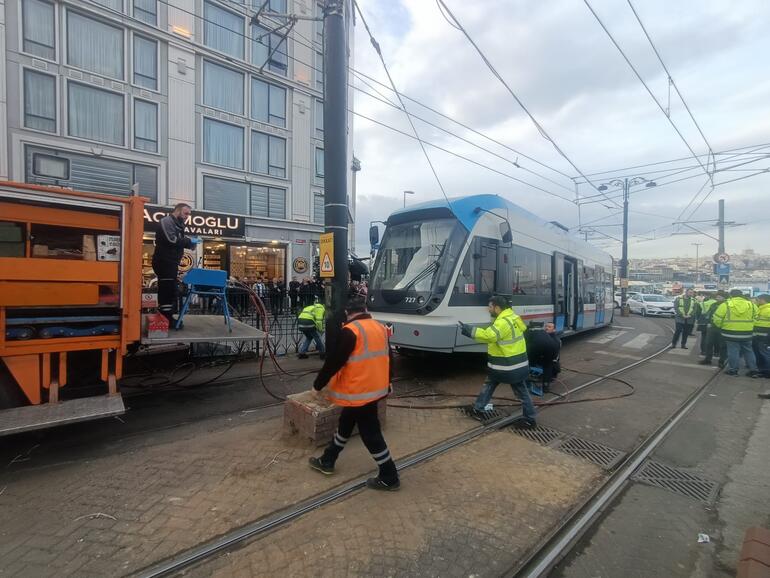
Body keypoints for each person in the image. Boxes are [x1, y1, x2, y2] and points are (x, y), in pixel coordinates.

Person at [308, 295, 399, 491]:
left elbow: (334, 361)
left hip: (359, 391)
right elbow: (389, 356)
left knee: (371, 434)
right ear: (365, 310)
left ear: (348, 313)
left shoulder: (350, 331)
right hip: (374, 389)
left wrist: (318, 385)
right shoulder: (380, 327)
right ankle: (328, 459)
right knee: (346, 423)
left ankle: (389, 475)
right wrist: (389, 381)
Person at [459, 296, 537, 427]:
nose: (488, 309)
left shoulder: (503, 322)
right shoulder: (513, 317)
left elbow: (489, 336)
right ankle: (478, 408)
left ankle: (530, 419)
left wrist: (469, 330)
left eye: (490, 307)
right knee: (492, 384)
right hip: (515, 363)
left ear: (497, 308)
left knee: (519, 391)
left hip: (507, 366)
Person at [152, 203, 200, 326]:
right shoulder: (167, 221)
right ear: (178, 211)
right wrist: (189, 241)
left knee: (170, 290)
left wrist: (191, 243)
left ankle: (166, 318)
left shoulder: (179, 225)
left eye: (189, 214)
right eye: (186, 213)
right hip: (164, 261)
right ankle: (165, 319)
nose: (187, 216)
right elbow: (172, 239)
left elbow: (179, 241)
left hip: (171, 262)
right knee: (167, 290)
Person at [712, 289, 759, 376]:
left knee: (733, 351)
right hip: (747, 333)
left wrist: (721, 326)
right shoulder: (751, 305)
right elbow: (757, 317)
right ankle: (753, 370)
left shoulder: (725, 304)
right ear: (742, 295)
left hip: (730, 333)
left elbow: (717, 318)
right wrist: (750, 326)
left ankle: (733, 370)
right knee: (749, 351)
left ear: (731, 295)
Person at [527, 322, 561, 392]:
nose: (546, 328)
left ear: (554, 330)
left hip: (551, 361)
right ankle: (533, 376)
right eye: (546, 326)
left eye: (549, 327)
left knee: (548, 365)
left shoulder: (556, 340)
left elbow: (556, 357)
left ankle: (546, 384)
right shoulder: (542, 336)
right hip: (541, 358)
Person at [699, 291, 727, 367]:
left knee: (722, 345)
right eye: (717, 297)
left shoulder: (727, 305)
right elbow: (709, 314)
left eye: (719, 297)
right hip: (712, 327)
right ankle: (708, 359)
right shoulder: (713, 305)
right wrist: (708, 322)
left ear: (724, 298)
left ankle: (722, 361)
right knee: (709, 343)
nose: (717, 298)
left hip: (722, 328)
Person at [752, 294, 770, 377]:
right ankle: (761, 369)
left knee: (765, 353)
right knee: (760, 352)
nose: (757, 301)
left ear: (763, 300)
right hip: (759, 335)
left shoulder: (768, 309)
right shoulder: (761, 308)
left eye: (758, 299)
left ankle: (767, 372)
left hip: (765, 336)